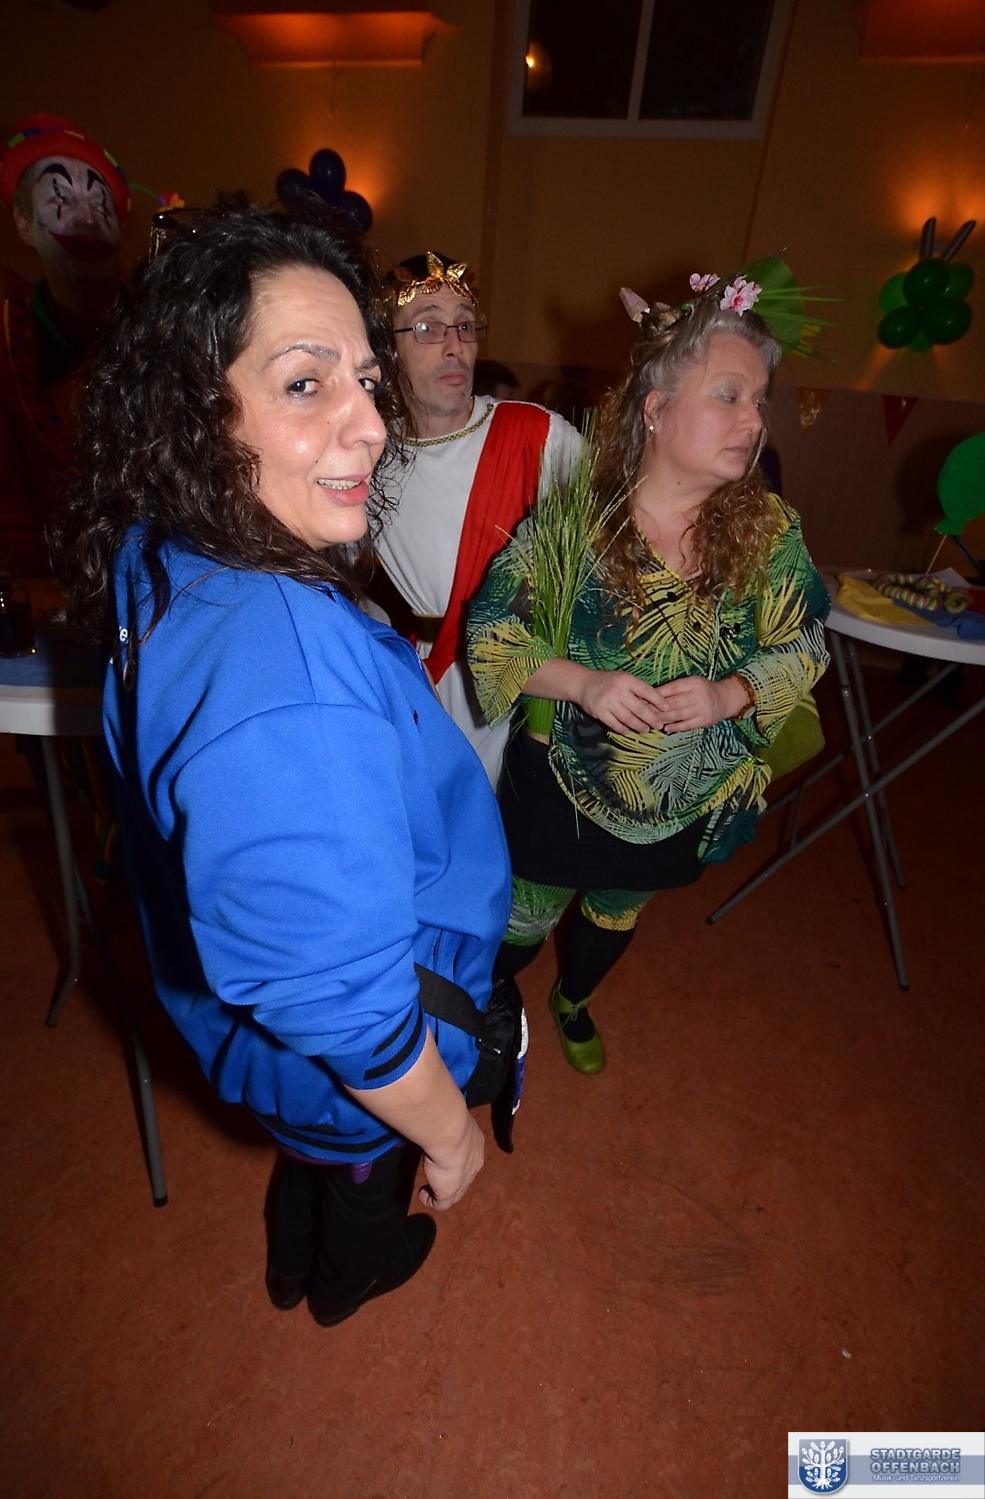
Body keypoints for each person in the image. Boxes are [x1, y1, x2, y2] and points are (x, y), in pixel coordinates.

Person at [53, 201, 511, 1327]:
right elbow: (345, 1008)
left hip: (262, 1054)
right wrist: (450, 1134)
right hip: (358, 1061)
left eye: (365, 378)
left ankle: (286, 1262)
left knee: (311, 1148)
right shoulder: (287, 692)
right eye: (305, 383)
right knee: (360, 1159)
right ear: (194, 412)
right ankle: (344, 1281)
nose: (371, 425)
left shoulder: (169, 547)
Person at [468, 280, 831, 1075]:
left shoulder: (770, 531)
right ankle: (490, 1004)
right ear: (656, 408)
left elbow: (806, 643)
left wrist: (731, 693)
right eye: (728, 396)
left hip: (681, 796)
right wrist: (582, 684)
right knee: (523, 916)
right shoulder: (576, 524)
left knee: (615, 911)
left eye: (759, 401)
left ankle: (573, 1000)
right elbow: (491, 633)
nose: (752, 422)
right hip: (564, 781)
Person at [373, 251, 583, 786]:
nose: (454, 346)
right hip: (412, 685)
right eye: (428, 328)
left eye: (464, 326)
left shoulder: (538, 437)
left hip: (518, 686)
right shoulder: (365, 451)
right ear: (386, 348)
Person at [1, 114, 128, 572]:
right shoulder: (6, 340)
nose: (88, 219)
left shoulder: (158, 333)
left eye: (100, 201)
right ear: (23, 224)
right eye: (60, 198)